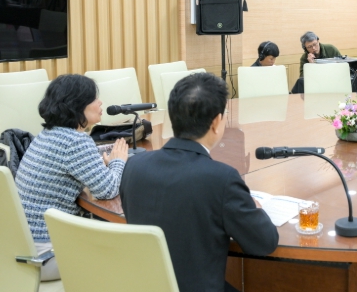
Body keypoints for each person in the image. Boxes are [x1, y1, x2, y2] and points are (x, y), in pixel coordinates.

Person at [120, 73, 278, 292]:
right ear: (216, 122)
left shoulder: (133, 166)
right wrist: (255, 207)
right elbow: (265, 243)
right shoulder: (221, 179)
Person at [15, 74, 128, 281]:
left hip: (22, 249)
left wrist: (99, 166)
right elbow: (108, 190)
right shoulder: (76, 141)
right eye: (94, 98)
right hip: (46, 256)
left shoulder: (47, 134)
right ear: (77, 105)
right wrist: (118, 161)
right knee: (126, 251)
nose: (100, 102)